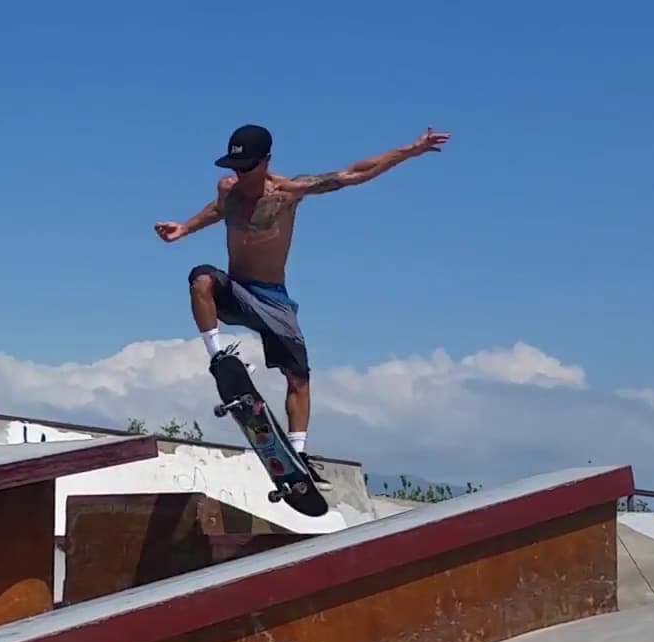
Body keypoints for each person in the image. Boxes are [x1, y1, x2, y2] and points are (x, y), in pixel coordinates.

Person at [154, 122, 451, 484]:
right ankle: (216, 354)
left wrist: (409, 150)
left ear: (266, 161)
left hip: (273, 298)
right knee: (200, 278)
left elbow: (353, 174)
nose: (239, 174)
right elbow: (218, 210)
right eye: (235, 167)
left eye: (247, 167)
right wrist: (185, 227)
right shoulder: (228, 189)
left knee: (298, 378)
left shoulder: (288, 192)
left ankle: (298, 454)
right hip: (236, 291)